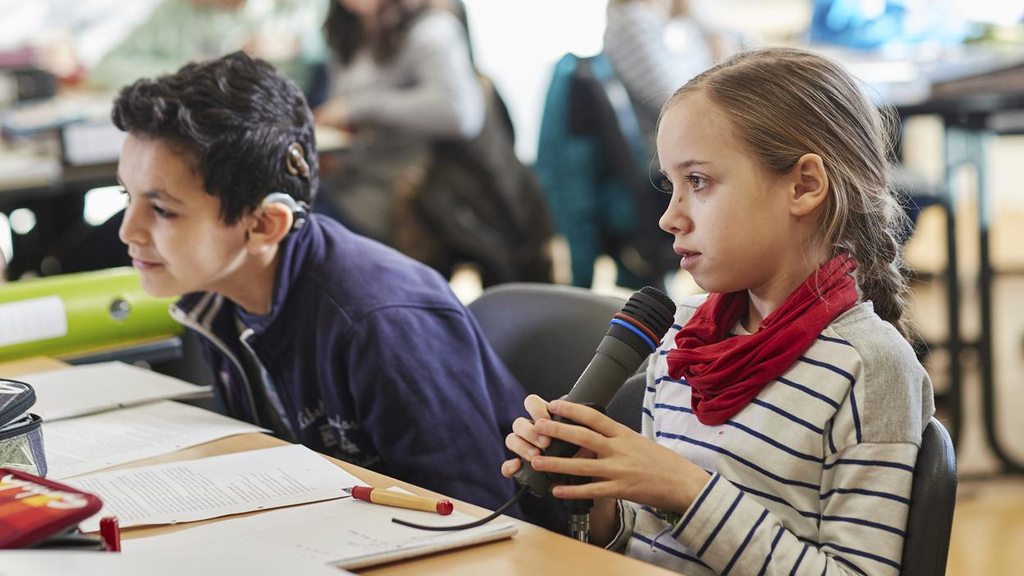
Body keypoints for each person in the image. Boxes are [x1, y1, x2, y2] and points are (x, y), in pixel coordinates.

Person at [503, 47, 934, 574]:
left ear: (804, 186)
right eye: (670, 185)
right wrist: (599, 500)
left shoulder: (870, 368)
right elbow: (653, 543)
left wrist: (687, 490)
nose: (669, 218)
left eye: (699, 182)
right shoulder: (686, 333)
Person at [112, 51, 555, 527]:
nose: (127, 231)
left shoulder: (382, 323)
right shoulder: (216, 298)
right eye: (126, 196)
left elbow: (470, 518)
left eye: (161, 210)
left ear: (264, 225)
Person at [312, 0, 483, 247]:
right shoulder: (351, 27)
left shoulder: (430, 30)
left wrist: (359, 108)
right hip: (342, 186)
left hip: (394, 203)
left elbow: (459, 114)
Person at [602, 0, 718, 148]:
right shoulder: (630, 23)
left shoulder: (664, 18)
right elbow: (672, 101)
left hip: (691, 129)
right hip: (669, 142)